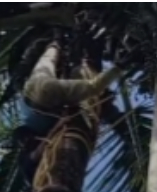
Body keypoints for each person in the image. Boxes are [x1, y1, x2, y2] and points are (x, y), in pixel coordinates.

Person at [14, 40, 131, 184]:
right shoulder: (29, 121)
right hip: (31, 87)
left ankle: (122, 65)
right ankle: (55, 44)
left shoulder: (30, 154)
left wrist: (58, 127)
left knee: (92, 87)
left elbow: (37, 153)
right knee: (47, 60)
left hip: (46, 96)